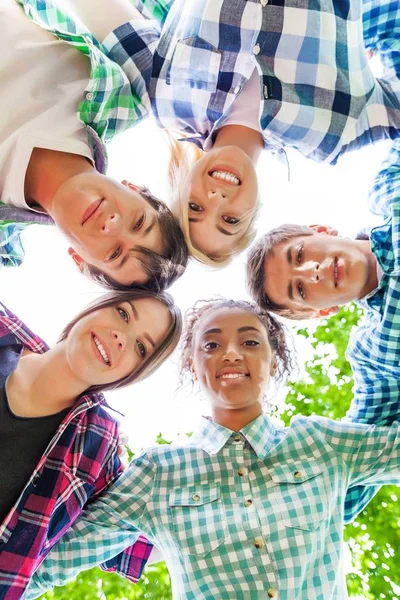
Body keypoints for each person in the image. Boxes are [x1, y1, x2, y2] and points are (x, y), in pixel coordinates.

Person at [23, 299, 400, 600]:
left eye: (250, 342)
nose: (232, 353)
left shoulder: (321, 444)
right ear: (193, 363)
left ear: (274, 359)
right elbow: (42, 568)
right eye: (212, 344)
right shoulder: (158, 473)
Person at [58, 0, 400, 267]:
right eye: (230, 220)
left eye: (194, 206)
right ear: (256, 208)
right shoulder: (335, 136)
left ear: (183, 184)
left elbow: (103, 12)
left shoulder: (165, 101)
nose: (217, 200)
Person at [246, 140, 400, 519]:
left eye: (299, 255)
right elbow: (341, 484)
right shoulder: (376, 355)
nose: (310, 271)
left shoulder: (389, 188)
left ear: (319, 230)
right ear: (322, 311)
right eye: (299, 290)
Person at [0, 288, 181, 599]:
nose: (121, 337)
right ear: (96, 306)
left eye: (140, 347)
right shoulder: (4, 328)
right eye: (123, 314)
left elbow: (144, 543)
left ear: (134, 373)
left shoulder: (96, 449)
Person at [0, 0, 188, 291]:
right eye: (138, 222)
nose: (112, 225)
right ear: (135, 189)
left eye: (115, 254)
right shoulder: (124, 94)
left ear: (79, 260)